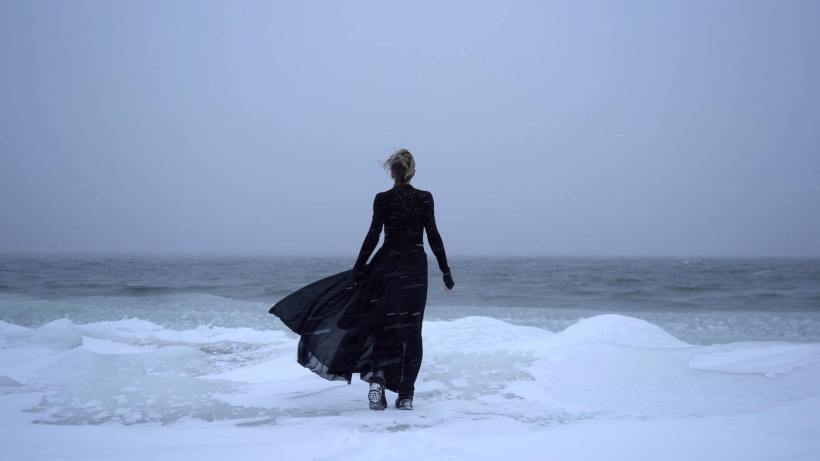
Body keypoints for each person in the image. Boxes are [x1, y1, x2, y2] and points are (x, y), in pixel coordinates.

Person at [268, 148, 454, 412]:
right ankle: (406, 396)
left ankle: (377, 378)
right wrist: (446, 271)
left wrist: (357, 272)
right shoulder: (424, 198)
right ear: (412, 171)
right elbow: (433, 235)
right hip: (413, 266)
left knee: (384, 327)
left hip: (386, 265)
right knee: (412, 331)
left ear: (392, 172)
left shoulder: (382, 199)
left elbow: (372, 236)